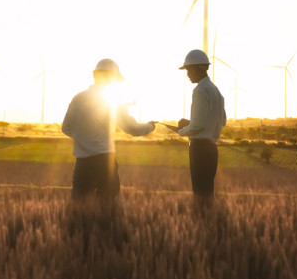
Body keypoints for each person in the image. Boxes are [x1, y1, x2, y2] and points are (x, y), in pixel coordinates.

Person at [61, 58, 155, 200]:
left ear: (95, 75)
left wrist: (84, 139)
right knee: (109, 207)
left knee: (78, 207)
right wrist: (150, 126)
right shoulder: (112, 100)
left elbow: (66, 128)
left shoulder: (77, 99)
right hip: (104, 162)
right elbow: (132, 128)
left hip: (81, 164)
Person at [176, 49, 227, 199]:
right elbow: (221, 120)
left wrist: (182, 131)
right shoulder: (216, 91)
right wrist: (191, 123)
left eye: (189, 70)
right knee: (208, 194)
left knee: (199, 194)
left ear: (199, 69)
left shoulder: (199, 91)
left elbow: (198, 125)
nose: (188, 74)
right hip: (212, 150)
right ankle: (208, 221)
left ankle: (201, 221)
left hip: (199, 150)